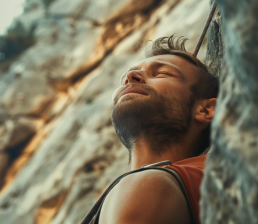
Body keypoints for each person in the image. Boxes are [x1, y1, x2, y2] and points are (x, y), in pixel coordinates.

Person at [80, 35, 219, 224]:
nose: (130, 77)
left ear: (206, 110)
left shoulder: (149, 183)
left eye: (162, 73)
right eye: (125, 79)